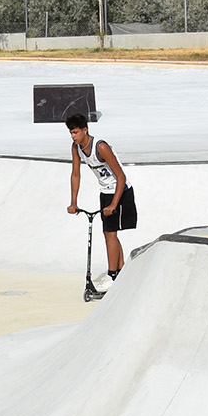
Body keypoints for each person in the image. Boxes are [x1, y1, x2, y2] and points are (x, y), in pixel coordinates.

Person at [64, 113, 134, 290]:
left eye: (75, 132)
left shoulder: (100, 147)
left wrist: (113, 204)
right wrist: (73, 202)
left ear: (85, 130)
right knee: (110, 233)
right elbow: (75, 174)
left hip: (120, 191)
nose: (73, 136)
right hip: (105, 192)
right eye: (71, 133)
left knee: (110, 233)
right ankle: (120, 270)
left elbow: (121, 177)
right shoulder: (76, 147)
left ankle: (112, 275)